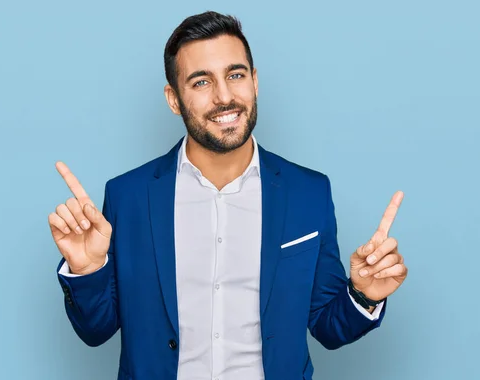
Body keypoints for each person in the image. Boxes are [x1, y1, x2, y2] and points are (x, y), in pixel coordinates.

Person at [50, 11, 408, 380]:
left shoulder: (309, 192)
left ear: (254, 81)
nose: (225, 97)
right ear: (173, 99)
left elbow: (327, 328)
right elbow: (96, 330)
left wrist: (364, 295)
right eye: (201, 82)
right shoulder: (128, 196)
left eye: (235, 75)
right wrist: (87, 270)